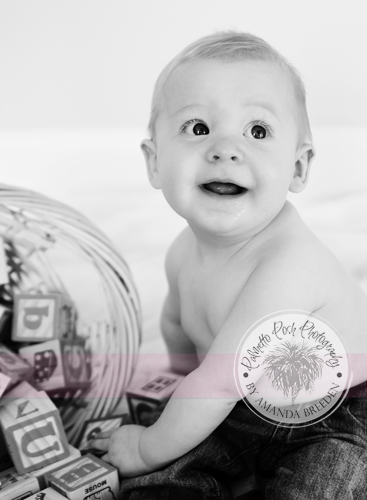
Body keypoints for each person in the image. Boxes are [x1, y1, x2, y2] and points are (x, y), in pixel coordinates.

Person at [90, 31, 367, 499]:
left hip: (334, 417)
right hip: (234, 404)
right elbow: (177, 328)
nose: (225, 148)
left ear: (298, 169)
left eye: (257, 131)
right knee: (162, 479)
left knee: (324, 484)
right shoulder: (181, 251)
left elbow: (218, 381)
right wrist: (170, 394)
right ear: (155, 163)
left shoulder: (289, 264)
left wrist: (144, 448)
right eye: (198, 128)